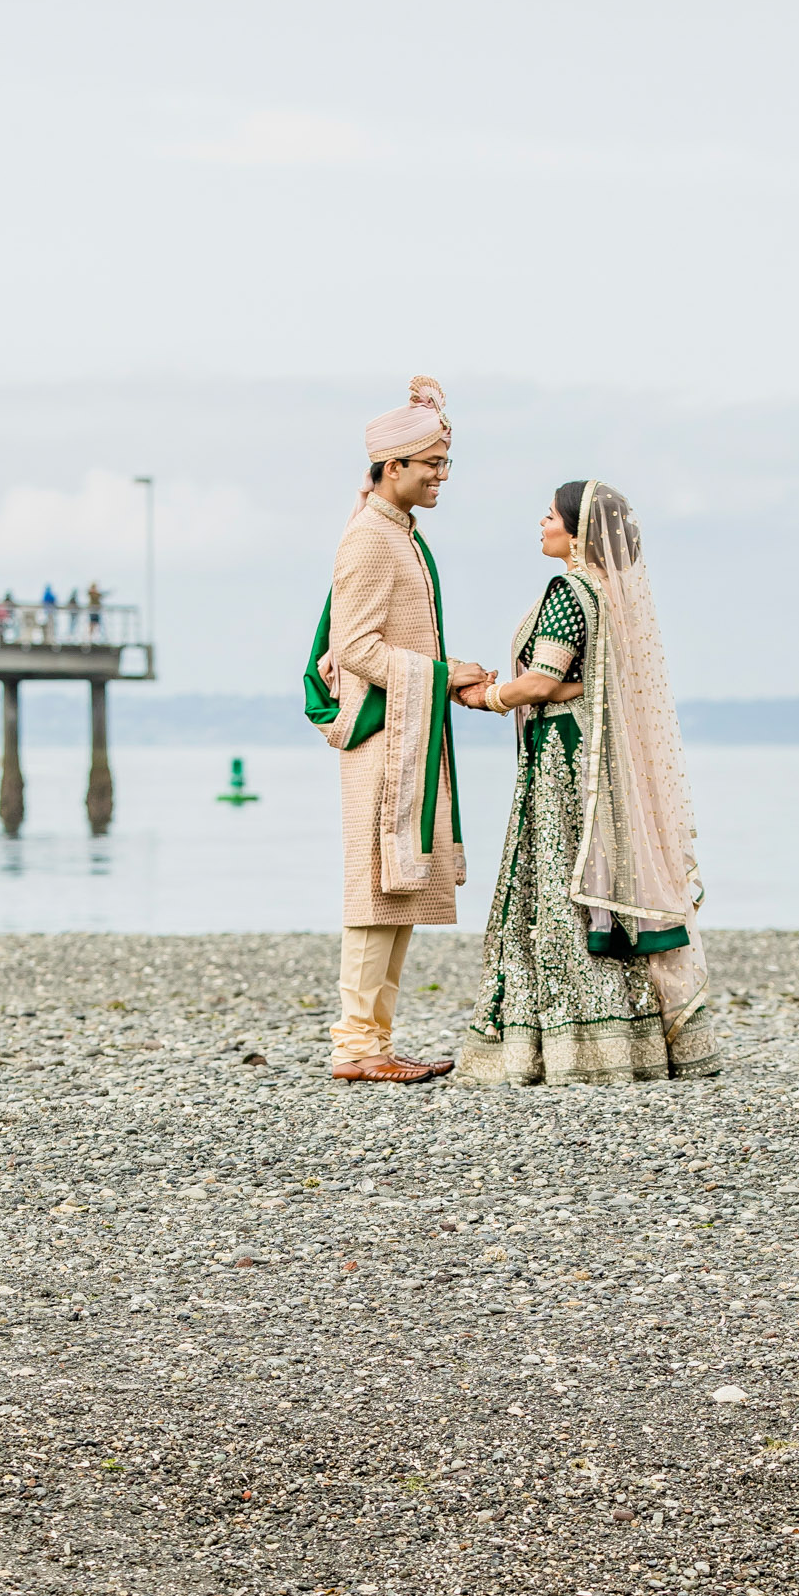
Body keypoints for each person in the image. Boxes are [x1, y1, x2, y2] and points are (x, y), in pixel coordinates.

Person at [453, 478, 714, 1085]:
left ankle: (565, 1046)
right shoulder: (616, 599)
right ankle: (633, 1044)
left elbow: (545, 681)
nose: (540, 523)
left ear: (577, 530)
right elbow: (594, 681)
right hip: (601, 761)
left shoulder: (570, 591)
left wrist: (484, 697)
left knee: (558, 884)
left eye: (549, 515)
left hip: (566, 761)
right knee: (599, 882)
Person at [308, 378, 489, 1083]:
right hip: (384, 737)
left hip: (410, 735)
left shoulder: (400, 534)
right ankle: (356, 1047)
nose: (441, 477)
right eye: (430, 465)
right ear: (391, 468)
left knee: (399, 890)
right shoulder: (369, 541)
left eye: (444, 464)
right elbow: (354, 648)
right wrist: (445, 676)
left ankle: (374, 1042)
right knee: (372, 891)